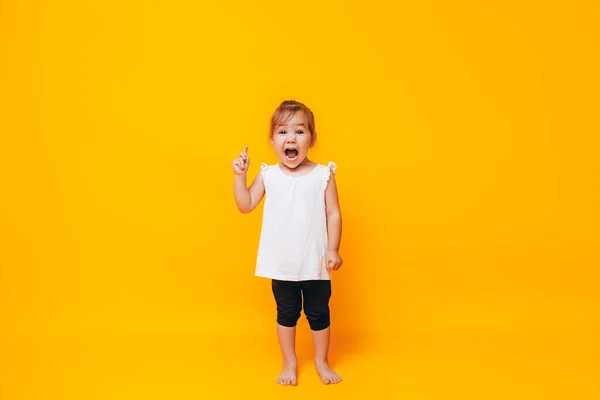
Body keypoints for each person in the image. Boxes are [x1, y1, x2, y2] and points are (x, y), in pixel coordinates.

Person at [232, 100, 343, 385]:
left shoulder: (323, 175)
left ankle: (321, 360)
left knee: (319, 313)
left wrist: (332, 249)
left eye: (299, 131)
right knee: (287, 313)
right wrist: (239, 176)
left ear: (312, 139)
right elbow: (246, 205)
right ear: (272, 140)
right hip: (282, 265)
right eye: (282, 132)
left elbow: (333, 213)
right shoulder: (268, 175)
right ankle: (289, 361)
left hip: (315, 263)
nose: (291, 138)